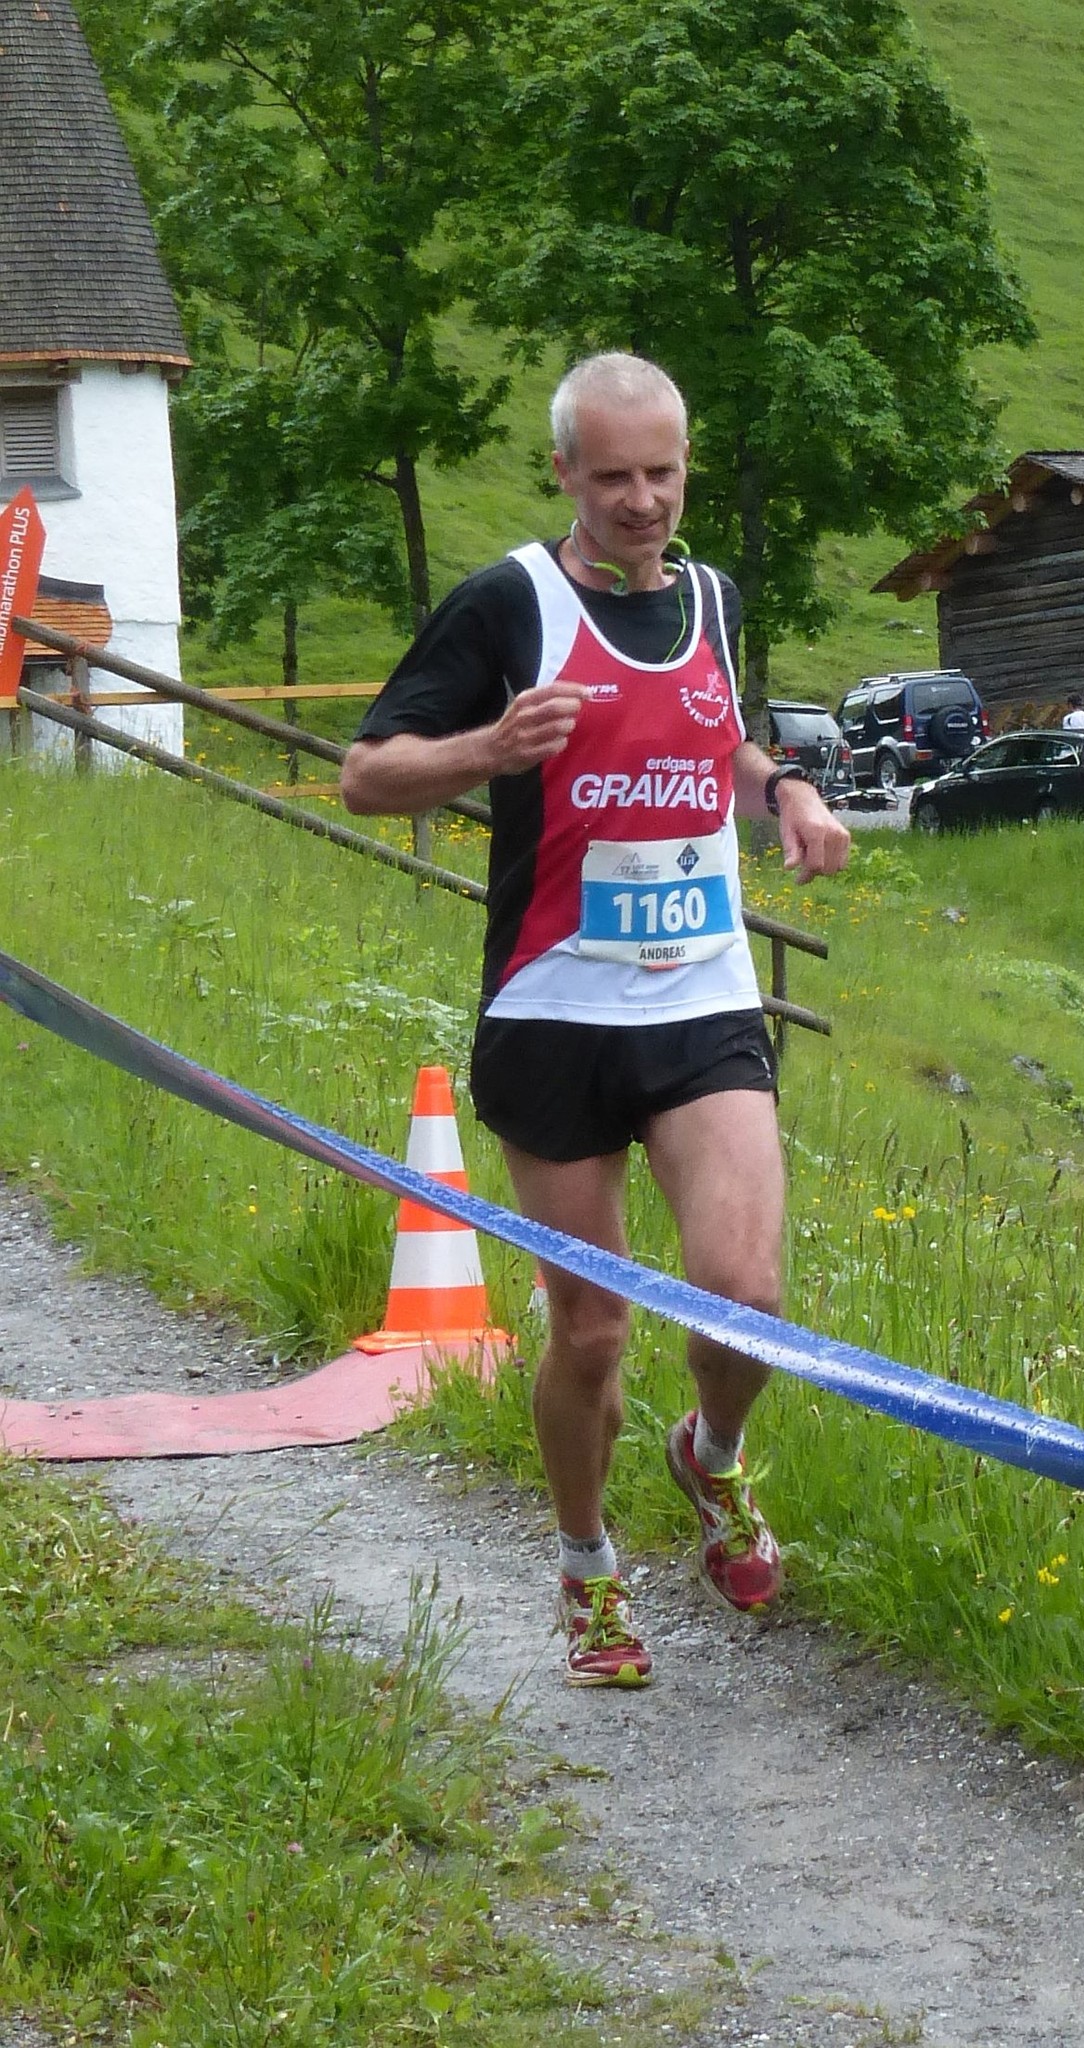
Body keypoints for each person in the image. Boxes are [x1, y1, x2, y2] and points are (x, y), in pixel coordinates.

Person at [341, 352, 851, 1688]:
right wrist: (487, 749)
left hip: (702, 998)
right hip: (554, 1014)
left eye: (662, 474)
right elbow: (366, 775)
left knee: (746, 1295)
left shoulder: (711, 599)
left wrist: (786, 793)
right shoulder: (508, 601)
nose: (641, 501)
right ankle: (586, 1565)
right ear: (564, 469)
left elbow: (722, 734)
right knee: (593, 1333)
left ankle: (711, 1459)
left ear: (686, 468)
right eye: (613, 475)